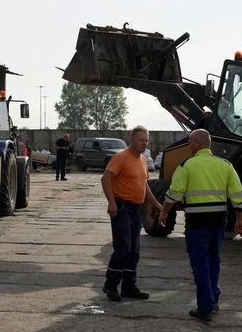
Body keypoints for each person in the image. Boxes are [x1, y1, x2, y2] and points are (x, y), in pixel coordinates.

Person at [159, 129, 242, 322]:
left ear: (196, 143)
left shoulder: (187, 165)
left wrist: (164, 211)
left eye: (189, 142)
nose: (189, 146)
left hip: (197, 225)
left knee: (200, 264)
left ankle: (205, 308)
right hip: (219, 224)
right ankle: (213, 299)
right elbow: (238, 194)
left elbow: (175, 192)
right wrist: (239, 218)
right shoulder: (225, 164)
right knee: (214, 261)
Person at [101, 125, 162, 301]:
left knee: (134, 250)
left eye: (146, 141)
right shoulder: (121, 157)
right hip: (122, 209)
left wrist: (157, 204)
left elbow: (144, 186)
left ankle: (129, 287)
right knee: (123, 248)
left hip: (136, 210)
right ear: (132, 139)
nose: (144, 143)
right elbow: (105, 179)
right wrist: (111, 203)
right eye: (141, 140)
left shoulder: (143, 160)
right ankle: (110, 285)